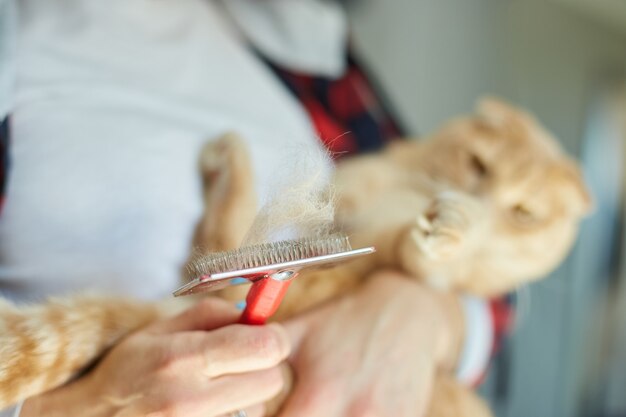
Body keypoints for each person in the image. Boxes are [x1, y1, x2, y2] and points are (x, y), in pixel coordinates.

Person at [0, 1, 492, 416]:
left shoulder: (307, 45)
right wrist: (76, 404)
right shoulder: (26, 34)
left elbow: (496, 291)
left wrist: (421, 310)